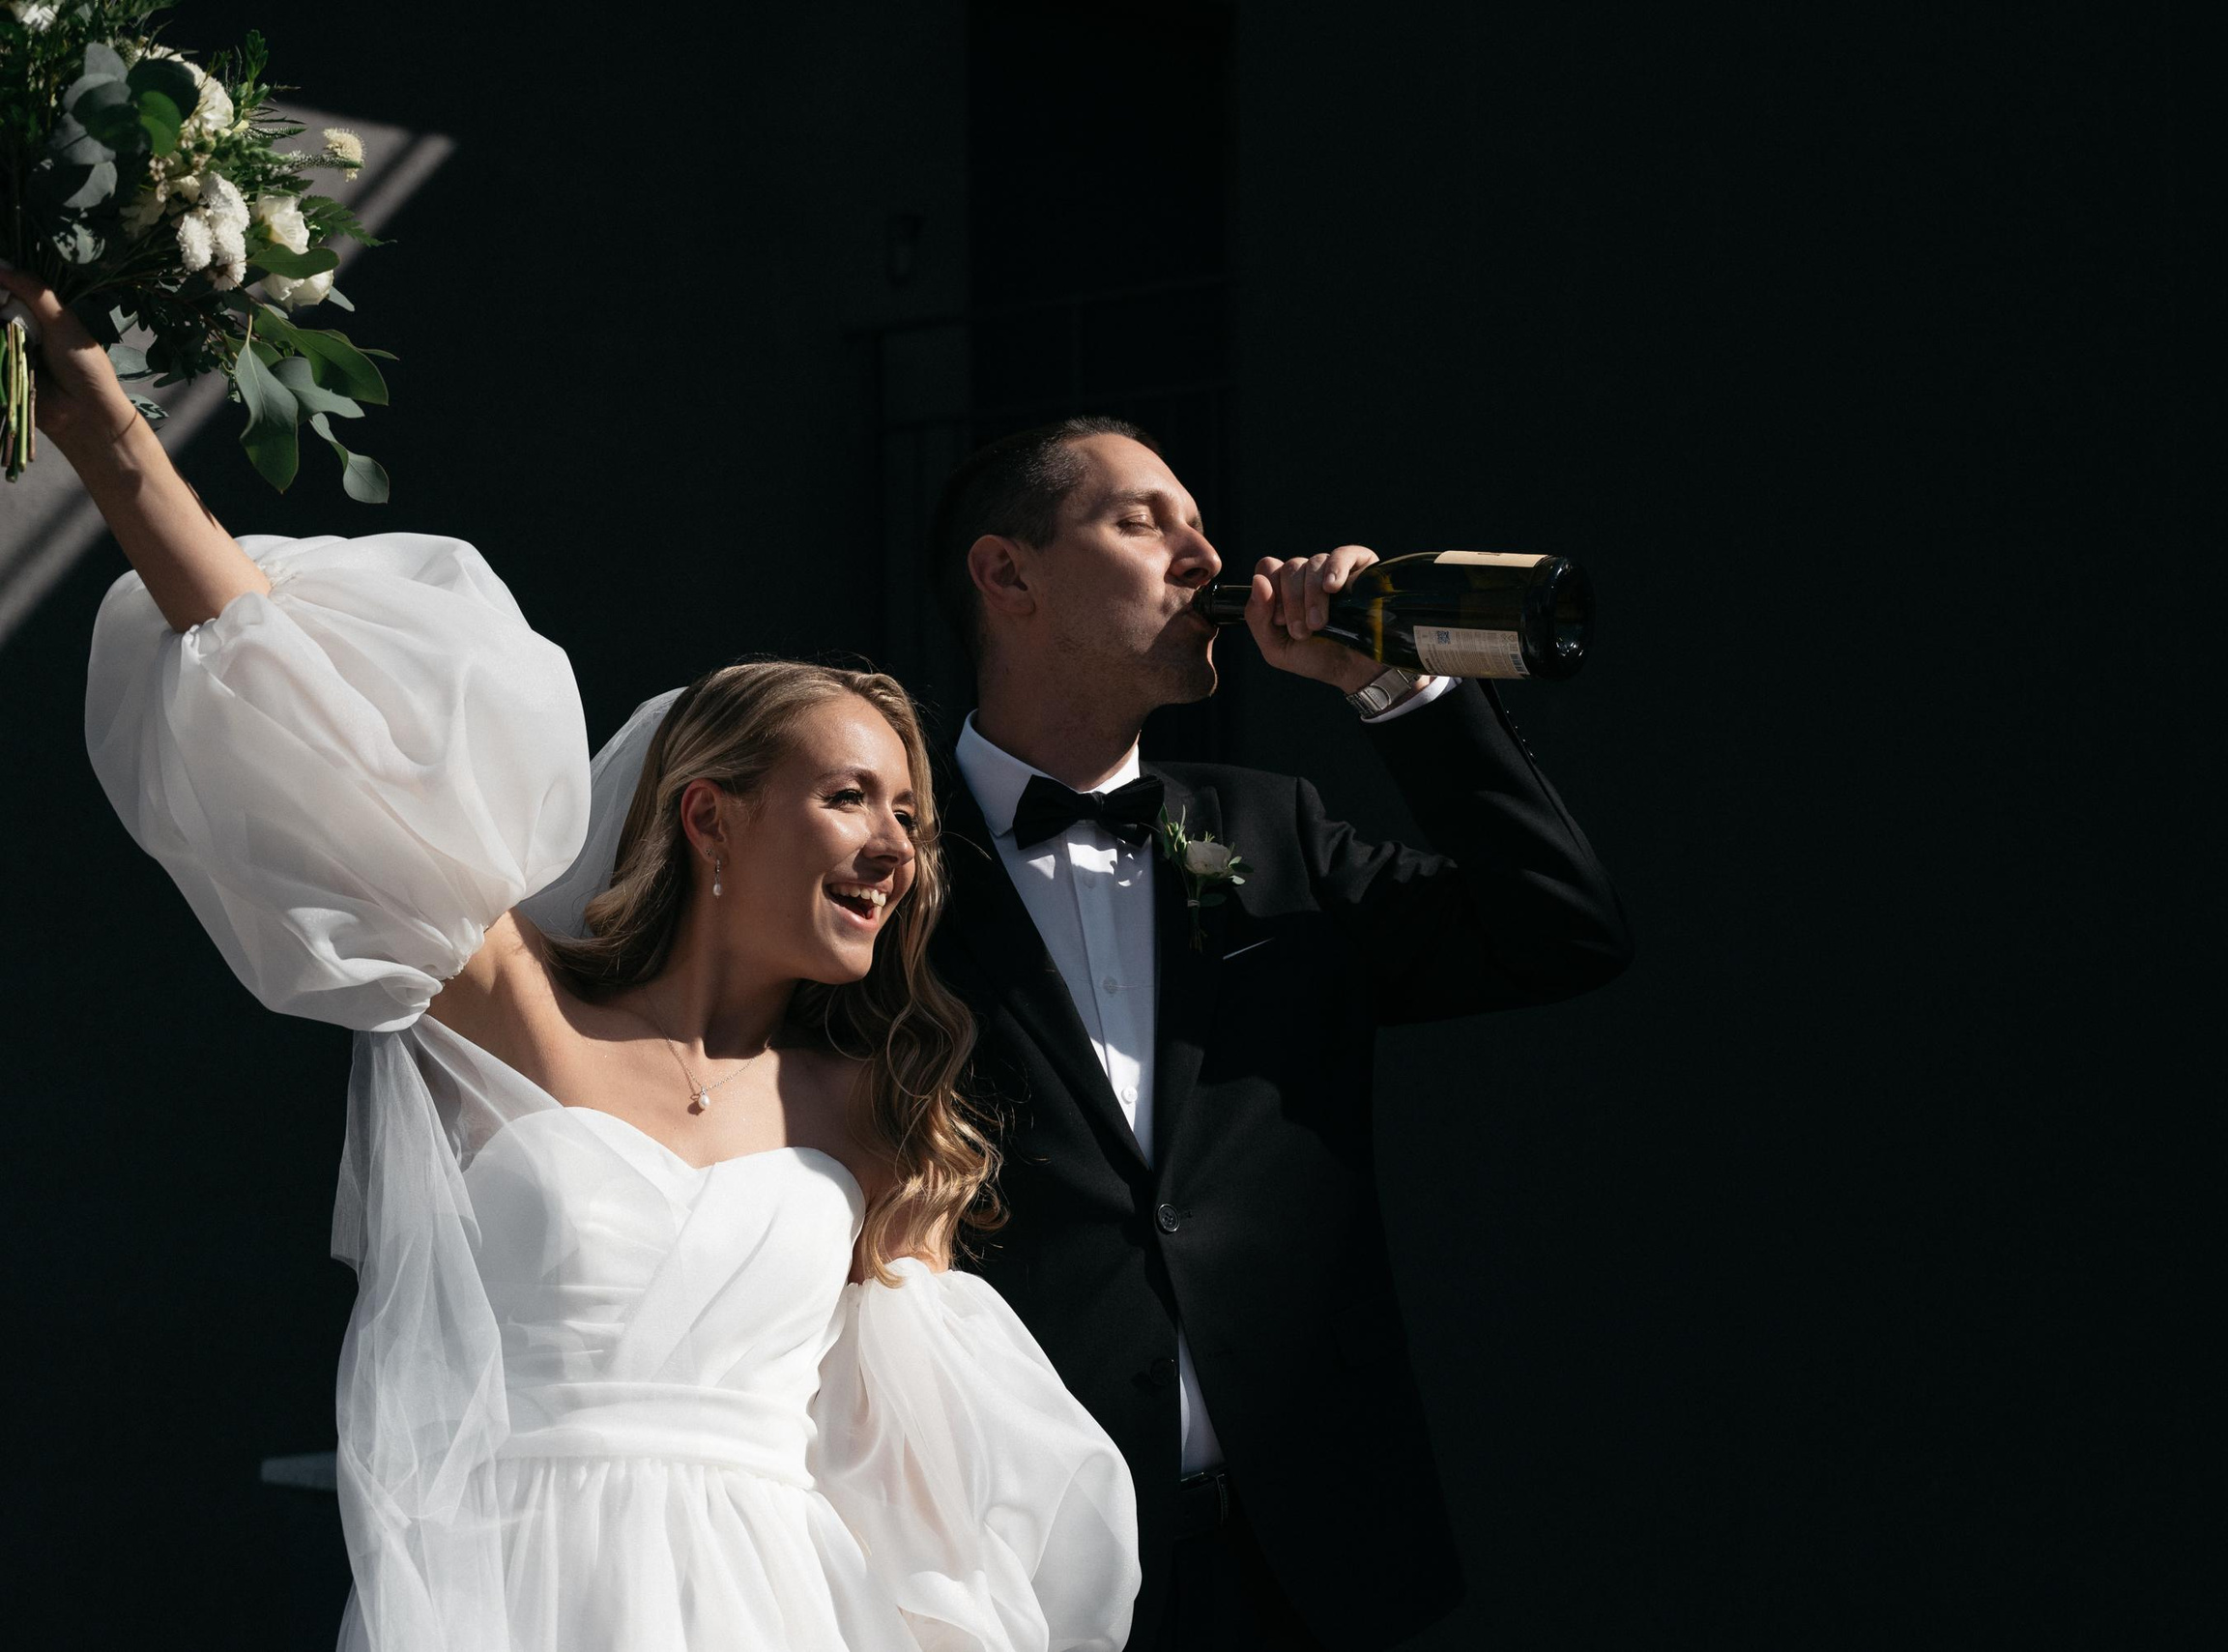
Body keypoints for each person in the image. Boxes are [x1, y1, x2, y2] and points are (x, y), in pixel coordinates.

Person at [3, 267, 1140, 1652]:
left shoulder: (878, 1123)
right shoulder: (515, 1007)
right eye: (850, 796)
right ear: (710, 816)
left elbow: (924, 1490)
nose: (899, 844)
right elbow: (309, 721)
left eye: (910, 814)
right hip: (502, 1603)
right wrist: (114, 445)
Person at [923, 417, 1634, 1649]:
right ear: (1008, 574)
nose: (1205, 554)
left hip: (1310, 1557)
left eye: (1200, 521)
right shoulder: (891, 865)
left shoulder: (1273, 829)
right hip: (1021, 1564)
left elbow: (1561, 930)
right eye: (1142, 519)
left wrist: (1393, 686)